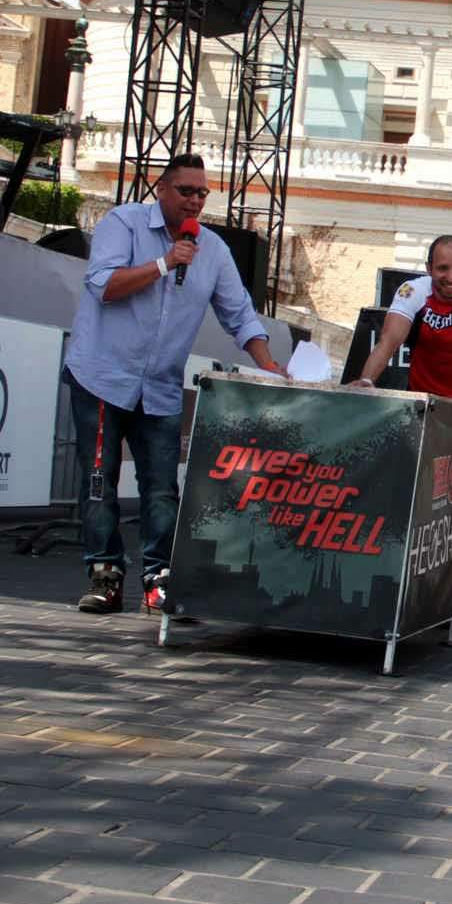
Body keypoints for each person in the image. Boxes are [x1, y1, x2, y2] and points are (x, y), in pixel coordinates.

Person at [65, 152, 283, 615]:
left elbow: (240, 315)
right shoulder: (123, 224)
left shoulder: (213, 250)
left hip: (159, 388)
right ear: (160, 188)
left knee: (162, 489)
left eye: (203, 193)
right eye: (186, 191)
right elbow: (103, 285)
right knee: (100, 482)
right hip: (102, 378)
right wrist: (165, 263)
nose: (195, 201)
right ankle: (105, 576)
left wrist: (269, 366)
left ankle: (158, 578)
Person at [349, 235, 452, 514]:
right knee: (411, 498)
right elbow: (389, 341)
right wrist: (367, 380)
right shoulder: (413, 291)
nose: (451, 277)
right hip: (422, 407)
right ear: (429, 268)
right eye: (442, 268)